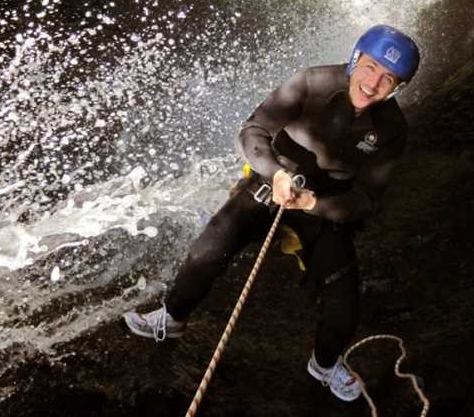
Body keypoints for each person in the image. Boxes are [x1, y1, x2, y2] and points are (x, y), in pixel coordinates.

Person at [122, 25, 420, 402]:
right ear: (356, 58)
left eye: (388, 78)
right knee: (205, 253)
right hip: (271, 185)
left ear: (397, 88)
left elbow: (368, 198)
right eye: (371, 67)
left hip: (323, 208)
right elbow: (253, 130)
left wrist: (316, 205)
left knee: (345, 309)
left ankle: (324, 365)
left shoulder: (393, 128)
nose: (373, 83)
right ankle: (172, 317)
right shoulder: (310, 83)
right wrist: (276, 174)